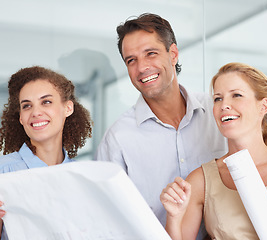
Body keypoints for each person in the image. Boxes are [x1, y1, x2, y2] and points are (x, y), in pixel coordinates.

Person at [160, 62, 267, 240]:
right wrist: (174, 218)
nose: (224, 105)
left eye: (236, 95)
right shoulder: (201, 181)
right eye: (218, 98)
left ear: (263, 106)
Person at [95, 13, 227, 237]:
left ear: (173, 54)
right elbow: (107, 219)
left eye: (151, 54)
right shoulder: (118, 139)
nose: (142, 67)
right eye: (131, 60)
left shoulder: (217, 111)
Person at [0, 66, 93, 240]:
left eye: (46, 102)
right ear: (21, 118)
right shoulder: (2, 173)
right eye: (27, 106)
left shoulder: (81, 177)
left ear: (68, 108)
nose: (36, 112)